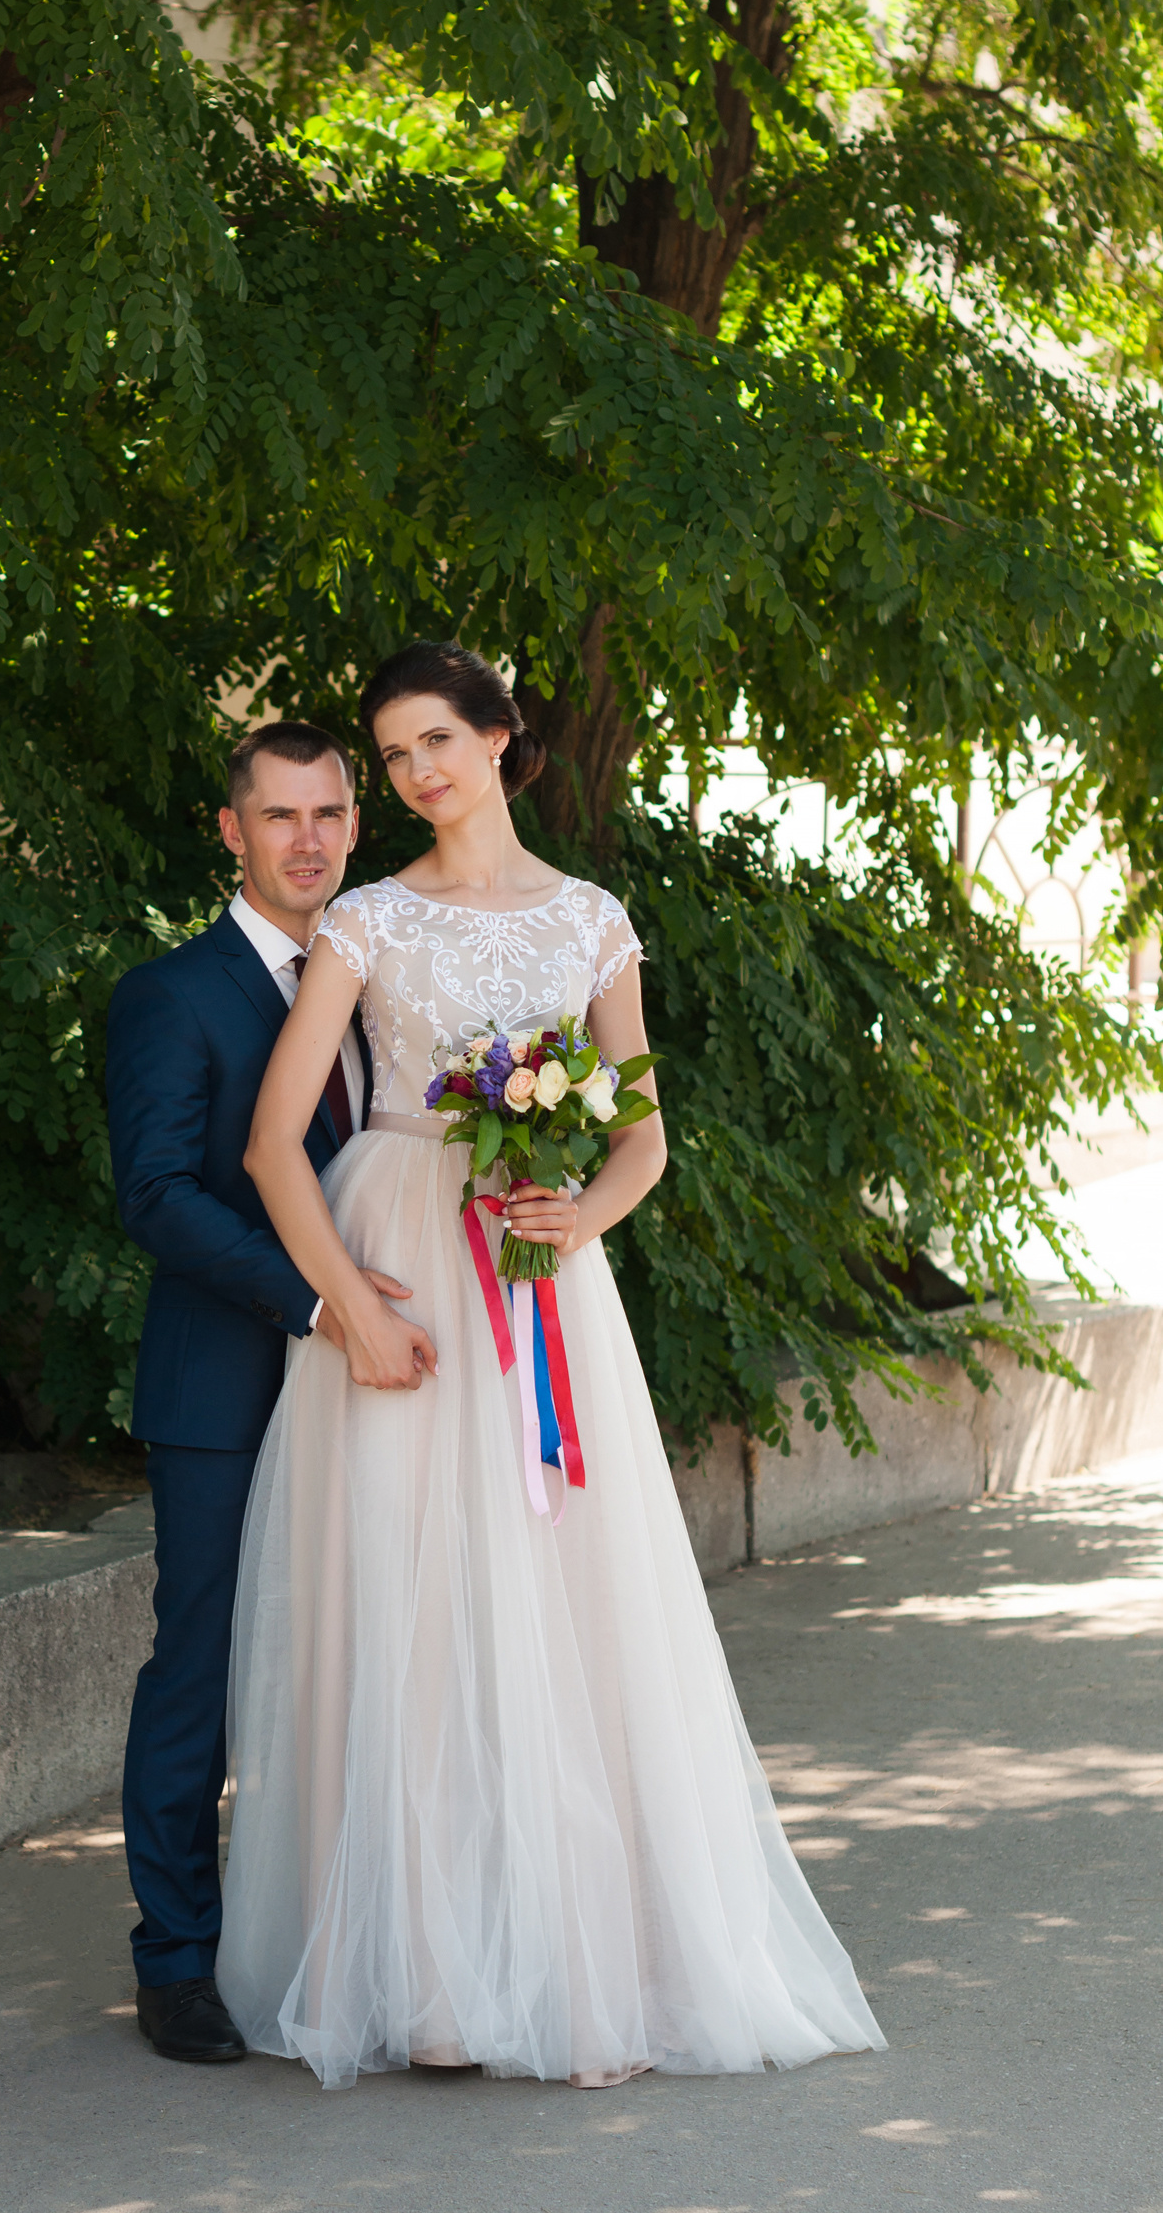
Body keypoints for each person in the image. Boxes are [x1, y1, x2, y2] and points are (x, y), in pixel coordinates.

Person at [218, 641, 887, 2089]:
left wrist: (580, 1208)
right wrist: (348, 1307)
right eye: (393, 754)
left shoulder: (591, 919)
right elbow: (274, 1146)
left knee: (562, 1611)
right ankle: (425, 1982)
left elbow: (641, 1134)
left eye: (437, 741)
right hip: (398, 1258)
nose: (415, 775)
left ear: (504, 739)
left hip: (539, 1279)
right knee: (408, 1608)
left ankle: (572, 1958)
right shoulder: (367, 925)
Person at [107, 721, 435, 2066]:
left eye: (330, 815)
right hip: (230, 1385)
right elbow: (162, 1197)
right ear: (229, 829)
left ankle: (331, 1934)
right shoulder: (170, 995)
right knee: (205, 1670)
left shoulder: (380, 980)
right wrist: (321, 1304)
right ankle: (176, 1962)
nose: (308, 840)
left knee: (359, 1662)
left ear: (357, 825)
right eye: (279, 816)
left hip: (389, 1386)